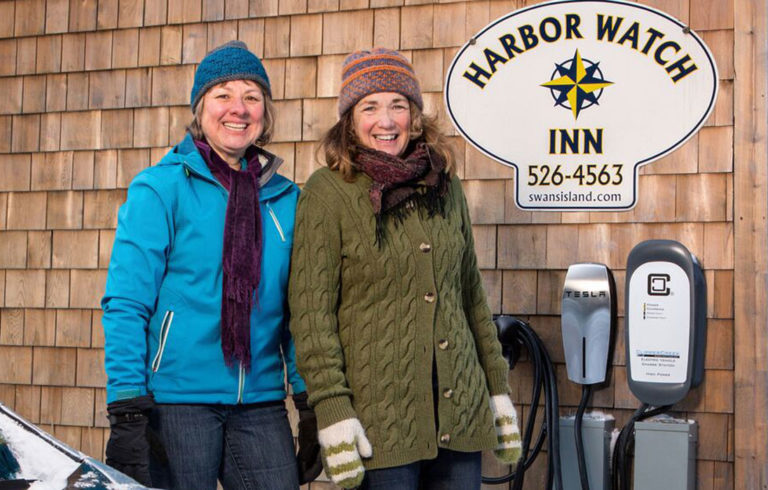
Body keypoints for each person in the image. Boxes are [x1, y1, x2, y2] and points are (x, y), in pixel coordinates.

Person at [288, 48, 523, 490]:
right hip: (381, 422)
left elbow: (470, 294)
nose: (386, 120)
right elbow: (311, 316)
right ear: (350, 120)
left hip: (459, 413)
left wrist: (497, 390)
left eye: (398, 105)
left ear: (414, 116)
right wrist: (334, 410)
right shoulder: (328, 193)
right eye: (370, 107)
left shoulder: (444, 186)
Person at [101, 41, 321, 489]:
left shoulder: (287, 200)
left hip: (259, 401)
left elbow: (298, 313)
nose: (238, 109)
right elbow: (126, 303)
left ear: (265, 112)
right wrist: (127, 408)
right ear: (200, 108)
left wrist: (308, 397)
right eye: (223, 94)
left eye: (252, 96)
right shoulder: (160, 189)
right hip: (176, 403)